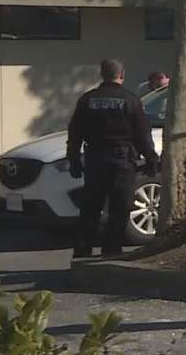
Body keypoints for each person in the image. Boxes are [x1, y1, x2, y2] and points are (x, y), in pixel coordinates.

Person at [67, 59, 159, 258]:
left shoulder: (87, 100)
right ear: (122, 74)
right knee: (119, 208)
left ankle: (83, 250)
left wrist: (73, 159)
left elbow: (75, 133)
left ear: (102, 74)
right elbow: (142, 133)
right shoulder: (131, 100)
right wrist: (151, 158)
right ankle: (111, 250)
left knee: (90, 208)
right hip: (123, 161)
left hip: (95, 160)